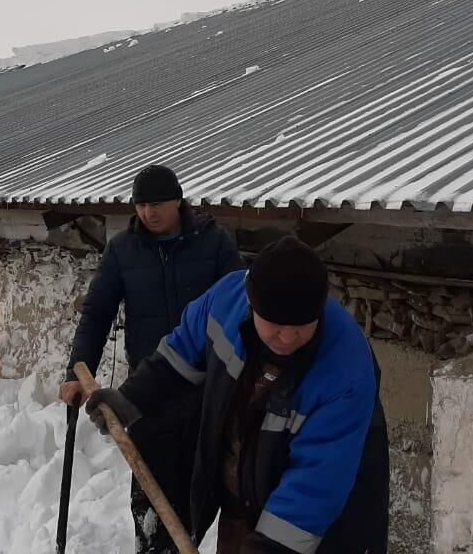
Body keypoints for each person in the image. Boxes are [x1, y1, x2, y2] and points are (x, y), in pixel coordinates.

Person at [86, 236, 390, 554]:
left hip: (319, 526)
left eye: (301, 325)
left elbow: (317, 483)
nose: (287, 337)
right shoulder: (226, 303)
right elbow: (180, 355)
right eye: (274, 323)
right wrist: (131, 398)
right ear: (251, 304)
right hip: (242, 500)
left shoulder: (345, 369)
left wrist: (269, 548)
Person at [60, 164, 245, 554]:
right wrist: (78, 368)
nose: (148, 213)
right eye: (141, 205)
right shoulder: (123, 250)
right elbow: (97, 313)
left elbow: (242, 307)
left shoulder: (214, 244)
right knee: (149, 491)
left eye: (157, 203)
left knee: (205, 491)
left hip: (206, 392)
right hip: (149, 390)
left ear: (178, 200)